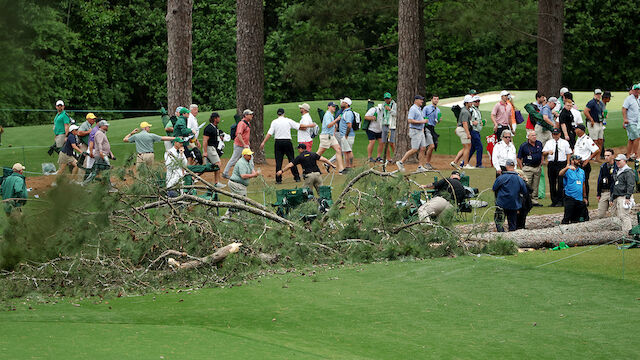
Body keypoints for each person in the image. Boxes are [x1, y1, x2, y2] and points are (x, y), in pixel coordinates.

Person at [259, 108, 314, 184]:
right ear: (283, 113)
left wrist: (263, 142)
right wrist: (310, 125)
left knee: (278, 161)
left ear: (277, 114)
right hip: (287, 141)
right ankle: (296, 177)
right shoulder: (288, 120)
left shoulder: (274, 122)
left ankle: (278, 179)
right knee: (292, 160)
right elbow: (299, 126)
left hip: (278, 142)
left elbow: (270, 133)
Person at [493, 159, 528, 232]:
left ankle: (501, 234)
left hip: (502, 202)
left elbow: (494, 188)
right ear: (514, 166)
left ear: (506, 166)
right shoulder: (519, 179)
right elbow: (524, 191)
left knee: (498, 220)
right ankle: (512, 235)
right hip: (514, 203)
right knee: (512, 222)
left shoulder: (501, 177)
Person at [397, 95, 429, 172]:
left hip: (420, 131)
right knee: (414, 149)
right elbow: (410, 120)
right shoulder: (413, 109)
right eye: (421, 100)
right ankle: (400, 162)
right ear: (416, 100)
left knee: (423, 148)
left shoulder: (419, 109)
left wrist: (422, 126)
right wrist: (422, 122)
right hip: (415, 131)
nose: (422, 101)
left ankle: (420, 167)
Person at [542, 128, 572, 207]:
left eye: (556, 134)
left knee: (561, 183)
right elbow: (543, 152)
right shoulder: (549, 143)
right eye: (554, 134)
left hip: (561, 163)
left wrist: (568, 163)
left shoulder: (564, 142)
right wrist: (548, 152)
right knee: (552, 182)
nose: (555, 136)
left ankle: (560, 200)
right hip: (552, 163)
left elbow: (569, 153)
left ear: (559, 134)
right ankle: (554, 200)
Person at [227, 148, 261, 214]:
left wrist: (255, 174)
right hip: (236, 184)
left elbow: (252, 171)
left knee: (236, 202)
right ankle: (242, 218)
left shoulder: (249, 162)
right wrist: (253, 175)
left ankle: (227, 217)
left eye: (251, 155)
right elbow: (243, 176)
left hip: (239, 184)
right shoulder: (241, 163)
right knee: (241, 202)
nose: (250, 156)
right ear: (244, 155)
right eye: (249, 155)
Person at [223, 109, 253, 179]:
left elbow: (245, 134)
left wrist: (247, 142)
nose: (252, 115)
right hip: (239, 145)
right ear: (245, 115)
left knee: (250, 158)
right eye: (250, 114)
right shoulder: (241, 124)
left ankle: (252, 173)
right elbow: (238, 135)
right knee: (234, 159)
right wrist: (244, 144)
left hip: (245, 145)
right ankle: (225, 172)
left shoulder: (248, 123)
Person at [574, 124, 600, 202]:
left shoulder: (587, 139)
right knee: (577, 182)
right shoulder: (578, 139)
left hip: (583, 164)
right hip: (576, 163)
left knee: (584, 182)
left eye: (576, 129)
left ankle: (585, 199)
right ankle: (579, 198)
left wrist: (588, 159)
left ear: (581, 130)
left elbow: (597, 150)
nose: (575, 131)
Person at [610, 154, 636, 232]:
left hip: (624, 196)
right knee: (619, 216)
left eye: (619, 160)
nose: (617, 162)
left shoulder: (628, 171)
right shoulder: (619, 171)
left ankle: (628, 234)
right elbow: (616, 186)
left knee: (624, 215)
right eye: (616, 161)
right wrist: (612, 197)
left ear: (624, 161)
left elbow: (631, 185)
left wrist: (628, 197)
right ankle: (623, 233)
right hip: (618, 196)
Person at [517, 131, 544, 206]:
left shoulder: (539, 143)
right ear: (528, 137)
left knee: (535, 185)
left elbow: (542, 153)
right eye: (532, 135)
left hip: (537, 167)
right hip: (528, 168)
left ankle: (534, 200)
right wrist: (522, 168)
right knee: (527, 185)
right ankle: (525, 200)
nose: (534, 137)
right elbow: (519, 158)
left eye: (535, 135)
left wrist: (542, 161)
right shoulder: (524, 146)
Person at [317, 102, 345, 173]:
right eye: (332, 106)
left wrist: (334, 131)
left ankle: (341, 169)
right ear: (328, 107)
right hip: (326, 136)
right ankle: (309, 166)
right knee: (318, 154)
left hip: (331, 136)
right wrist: (337, 120)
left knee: (338, 149)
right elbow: (328, 125)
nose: (334, 108)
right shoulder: (327, 115)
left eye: (335, 106)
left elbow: (332, 126)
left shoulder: (331, 115)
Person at [560, 155, 588, 224]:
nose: (579, 161)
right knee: (567, 216)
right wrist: (567, 167)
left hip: (579, 198)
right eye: (577, 160)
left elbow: (583, 184)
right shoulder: (568, 170)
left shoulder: (582, 171)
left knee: (577, 218)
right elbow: (560, 174)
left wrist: (584, 197)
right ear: (572, 161)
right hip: (570, 197)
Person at [202, 112, 226, 187]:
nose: (219, 118)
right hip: (209, 148)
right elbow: (205, 140)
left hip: (213, 148)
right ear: (215, 119)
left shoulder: (215, 127)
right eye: (218, 117)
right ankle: (216, 183)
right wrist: (205, 152)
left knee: (206, 167)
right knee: (218, 164)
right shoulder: (209, 128)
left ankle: (193, 177)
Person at [451, 95, 474, 169]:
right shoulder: (465, 111)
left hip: (461, 129)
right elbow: (464, 123)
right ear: (466, 103)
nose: (471, 103)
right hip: (463, 129)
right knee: (467, 147)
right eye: (470, 102)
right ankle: (465, 164)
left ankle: (454, 162)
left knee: (466, 147)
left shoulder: (465, 110)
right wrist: (468, 133)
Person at [596, 149, 617, 218]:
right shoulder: (603, 166)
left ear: (613, 156)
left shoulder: (617, 166)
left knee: (614, 214)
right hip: (604, 192)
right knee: (600, 214)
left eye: (608, 155)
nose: (606, 157)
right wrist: (598, 193)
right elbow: (599, 180)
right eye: (605, 156)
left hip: (614, 192)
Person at [584, 89, 605, 155]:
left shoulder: (601, 103)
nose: (598, 96)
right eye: (597, 94)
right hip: (593, 123)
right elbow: (585, 111)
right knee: (594, 140)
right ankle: (591, 155)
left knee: (600, 140)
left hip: (599, 123)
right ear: (594, 95)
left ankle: (597, 157)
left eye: (599, 94)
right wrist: (591, 119)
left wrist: (603, 115)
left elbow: (601, 112)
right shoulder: (591, 102)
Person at [337, 98, 356, 169]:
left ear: (347, 104)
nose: (341, 103)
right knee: (346, 151)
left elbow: (349, 125)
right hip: (345, 135)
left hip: (347, 136)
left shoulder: (348, 113)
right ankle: (347, 166)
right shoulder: (344, 112)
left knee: (348, 151)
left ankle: (350, 167)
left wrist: (346, 135)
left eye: (343, 102)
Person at [622, 84, 640, 159]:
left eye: (638, 89)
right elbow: (624, 109)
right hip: (630, 122)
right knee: (637, 137)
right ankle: (635, 154)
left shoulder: (639, 98)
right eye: (635, 90)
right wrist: (625, 119)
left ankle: (628, 155)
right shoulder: (629, 99)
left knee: (631, 140)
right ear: (632, 91)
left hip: (638, 122)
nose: (637, 91)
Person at [77, 113, 97, 177]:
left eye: (94, 119)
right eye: (92, 119)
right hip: (84, 145)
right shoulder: (85, 125)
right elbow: (79, 133)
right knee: (85, 161)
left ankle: (85, 177)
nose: (93, 120)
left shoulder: (89, 125)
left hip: (87, 145)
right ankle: (80, 179)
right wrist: (89, 132)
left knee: (88, 161)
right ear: (88, 119)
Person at [422, 95, 441, 165]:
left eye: (437, 99)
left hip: (432, 128)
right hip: (427, 127)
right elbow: (423, 116)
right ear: (431, 100)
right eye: (434, 99)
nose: (436, 100)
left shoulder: (438, 110)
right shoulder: (426, 108)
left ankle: (428, 162)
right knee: (432, 146)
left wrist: (439, 120)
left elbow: (437, 120)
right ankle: (427, 163)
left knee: (433, 146)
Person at [468, 95, 484, 168]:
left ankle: (464, 163)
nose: (477, 103)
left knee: (473, 148)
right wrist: (472, 122)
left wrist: (481, 122)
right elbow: (467, 119)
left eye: (478, 101)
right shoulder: (471, 110)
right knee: (479, 147)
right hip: (474, 130)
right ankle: (478, 164)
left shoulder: (476, 110)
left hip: (477, 131)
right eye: (476, 101)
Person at [380, 92, 397, 159]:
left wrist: (390, 110)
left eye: (388, 98)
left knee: (392, 143)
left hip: (392, 125)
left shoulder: (394, 105)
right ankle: (388, 158)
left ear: (390, 98)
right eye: (386, 99)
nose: (387, 100)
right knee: (384, 142)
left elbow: (396, 114)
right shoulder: (382, 105)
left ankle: (395, 156)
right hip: (384, 124)